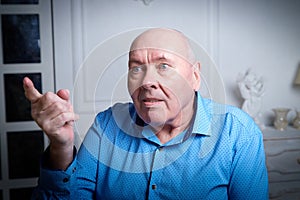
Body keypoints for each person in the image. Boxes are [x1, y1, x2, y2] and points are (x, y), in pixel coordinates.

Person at [24, 28, 268, 199]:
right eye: (136, 68)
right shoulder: (106, 125)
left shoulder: (237, 133)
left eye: (164, 66)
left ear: (195, 76)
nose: (147, 81)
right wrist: (61, 147)